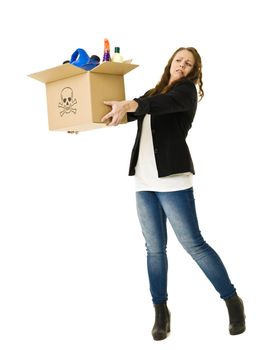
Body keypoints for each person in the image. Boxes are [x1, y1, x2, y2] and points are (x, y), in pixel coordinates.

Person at [101, 47, 246, 340]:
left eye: (188, 63)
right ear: (170, 63)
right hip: (144, 182)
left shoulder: (185, 92)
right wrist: (81, 123)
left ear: (193, 71)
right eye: (179, 60)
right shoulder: (153, 91)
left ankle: (232, 301)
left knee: (194, 244)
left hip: (173, 181)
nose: (182, 65)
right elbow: (125, 113)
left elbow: (158, 106)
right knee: (154, 250)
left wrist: (132, 104)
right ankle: (161, 312)